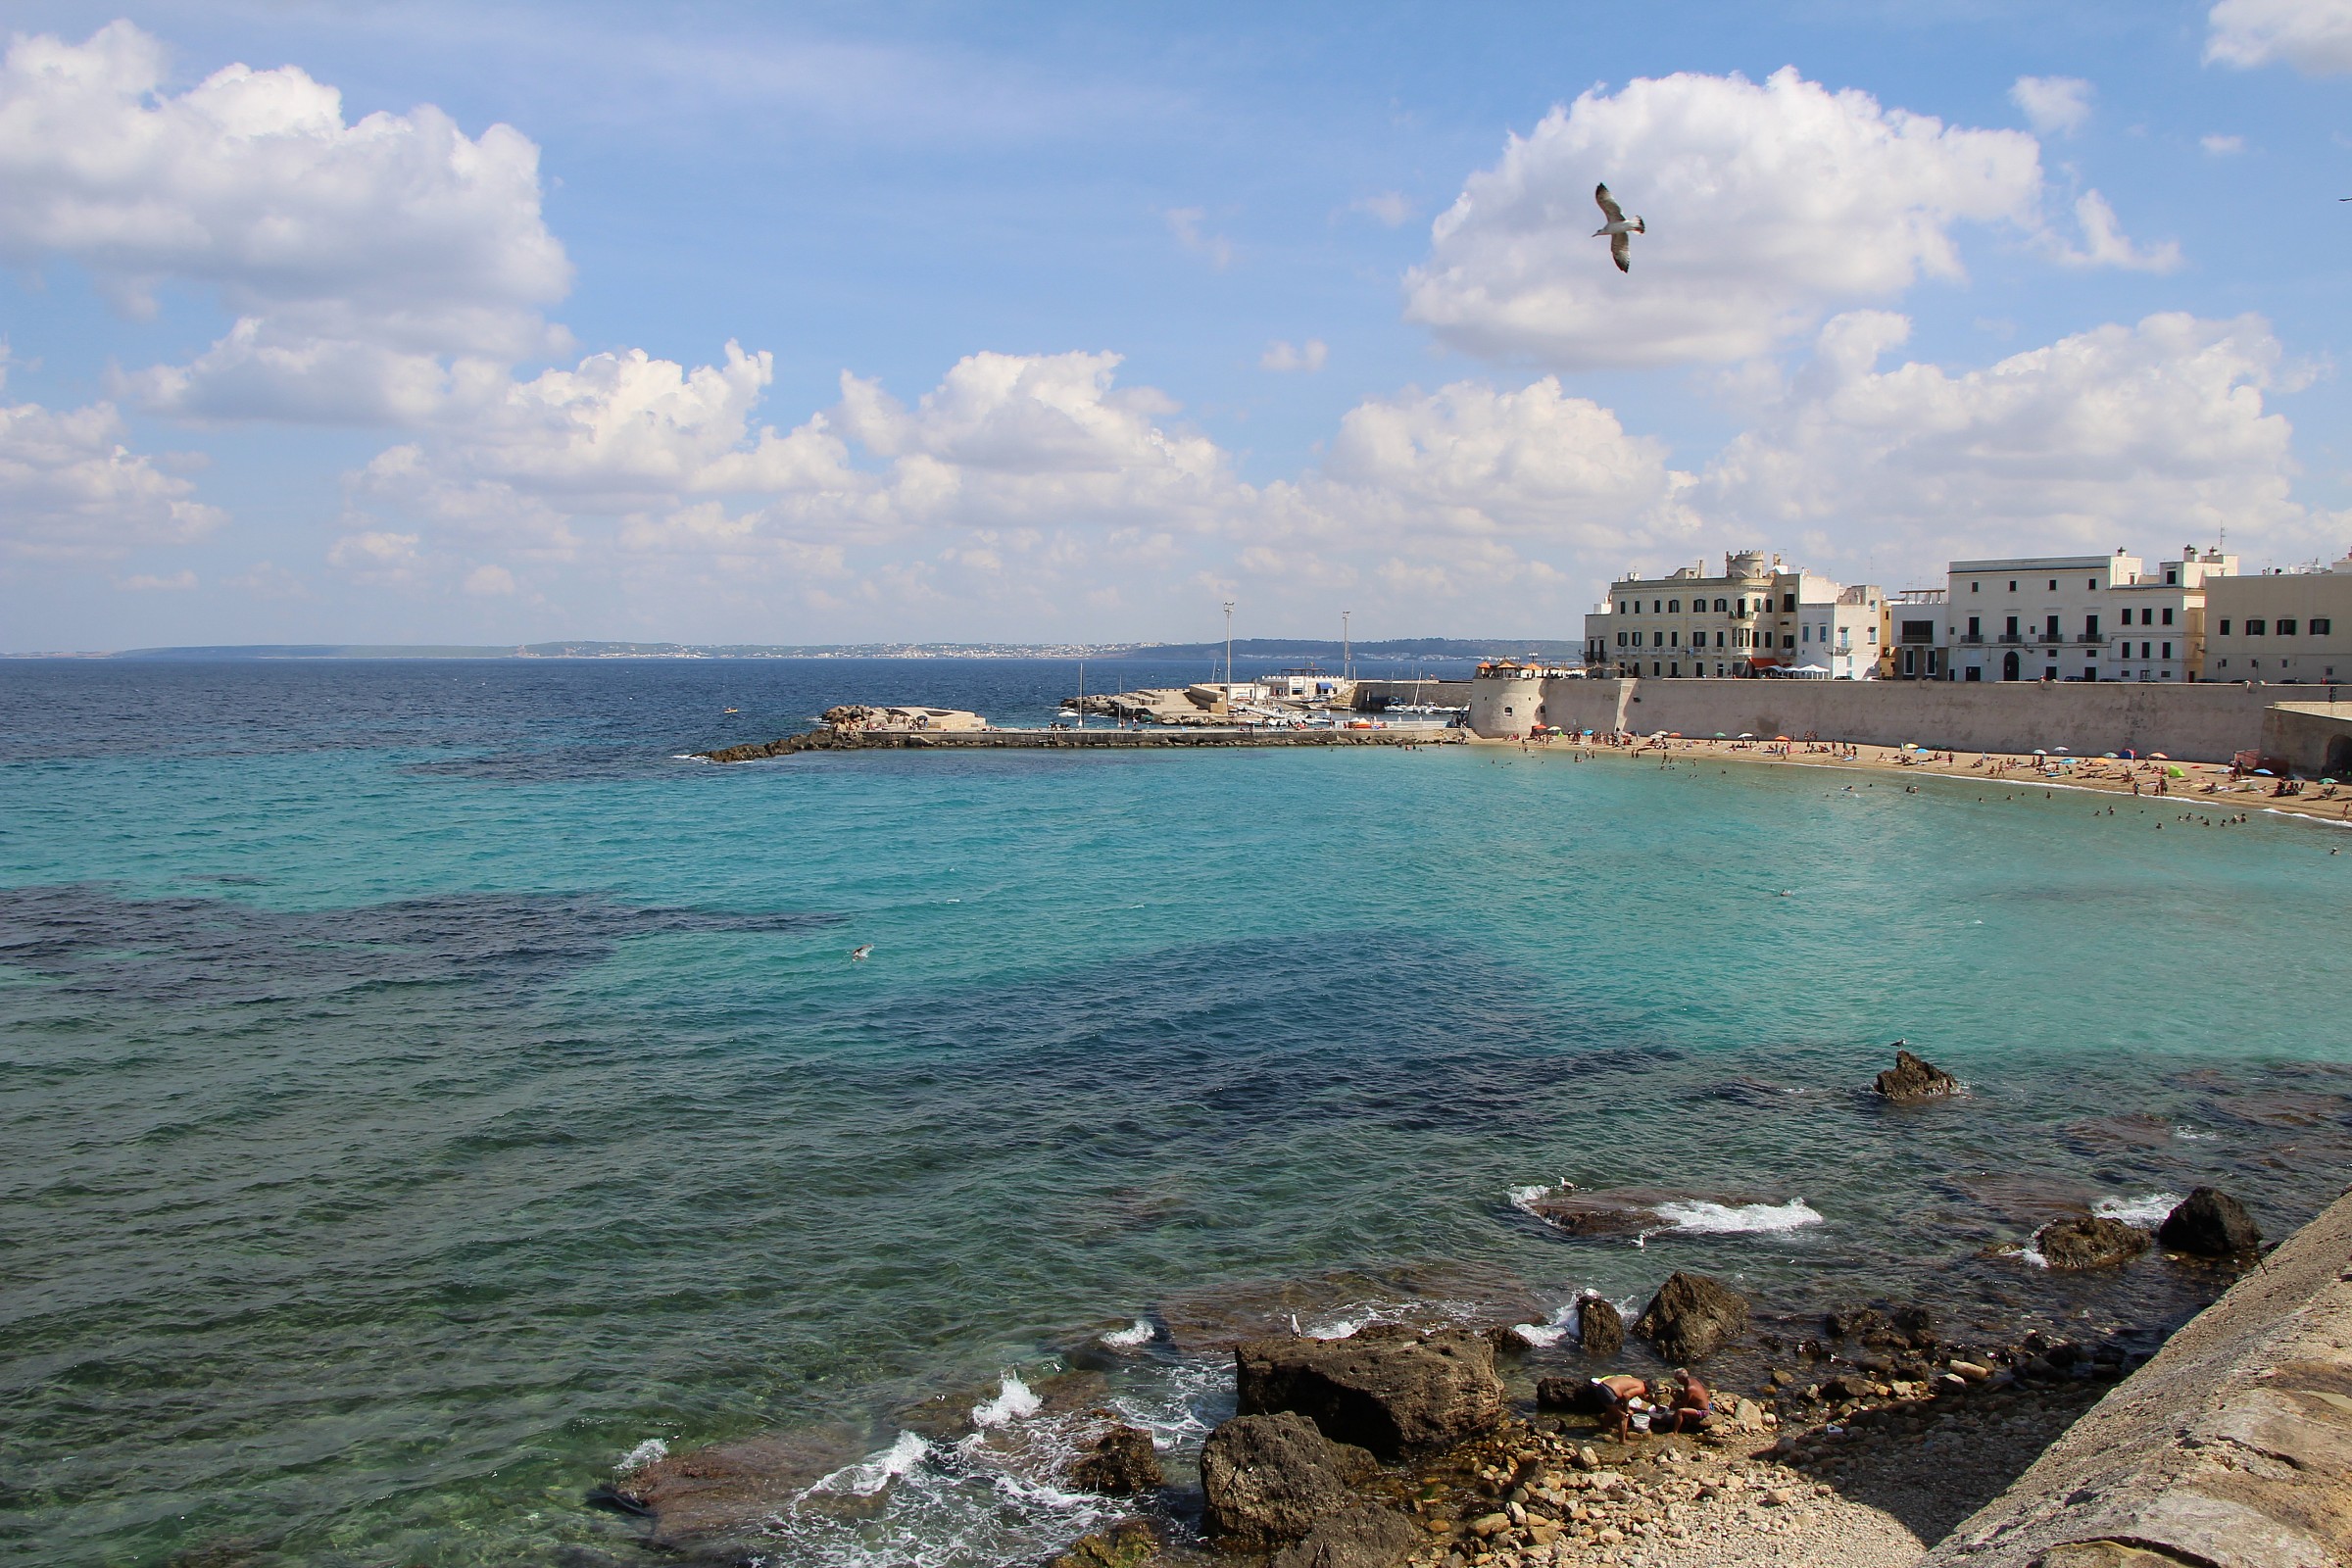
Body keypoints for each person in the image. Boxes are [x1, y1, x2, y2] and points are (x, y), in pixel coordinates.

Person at [1649, 1368, 1713, 1435]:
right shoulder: (1690, 1380)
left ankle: (1675, 1431)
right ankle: (1683, 1420)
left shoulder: (1690, 1388)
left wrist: (1673, 1404)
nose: (1676, 1380)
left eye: (1676, 1379)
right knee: (1678, 1395)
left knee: (1679, 1411)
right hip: (1696, 1405)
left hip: (1702, 1411)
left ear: (1681, 1378)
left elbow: (1683, 1404)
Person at [1589, 1374, 1651, 1441]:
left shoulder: (1638, 1382)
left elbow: (1645, 1397)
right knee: (1624, 1416)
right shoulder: (1641, 1388)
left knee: (1612, 1410)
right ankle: (1622, 1441)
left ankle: (1605, 1429)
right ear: (1648, 1389)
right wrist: (1627, 1409)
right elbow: (1626, 1395)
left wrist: (1656, 1405)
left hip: (1602, 1386)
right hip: (1608, 1391)